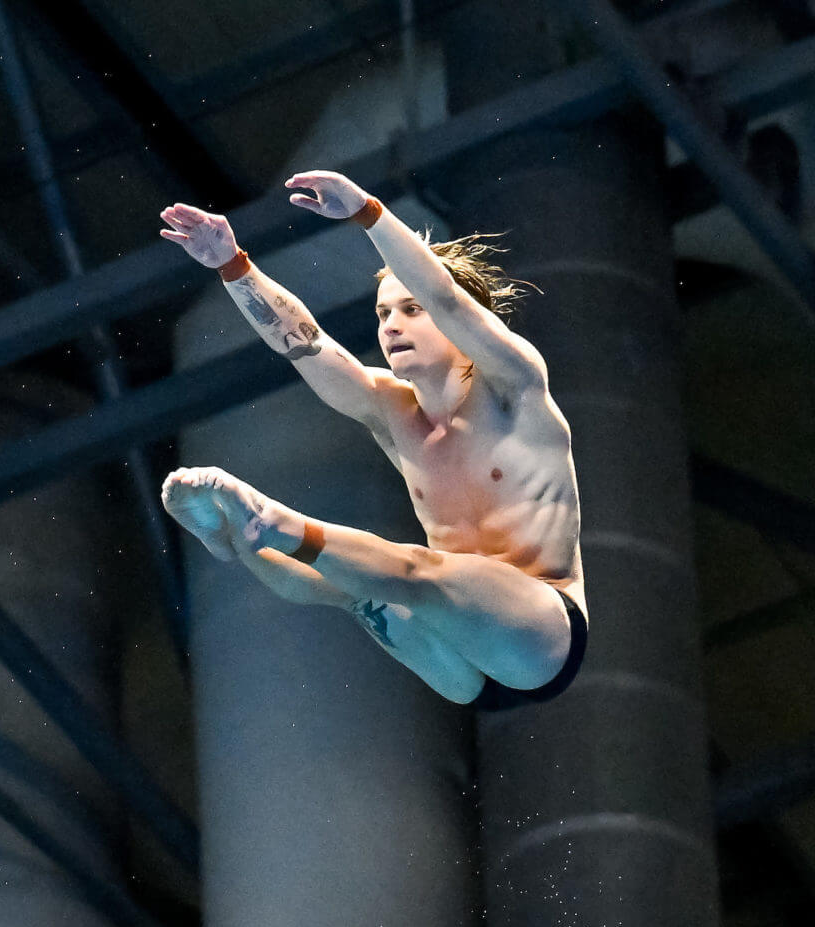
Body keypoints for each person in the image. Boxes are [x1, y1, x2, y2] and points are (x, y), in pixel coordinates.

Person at [157, 170, 586, 709]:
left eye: (410, 309)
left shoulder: (514, 386)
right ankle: (237, 536)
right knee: (348, 588)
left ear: (466, 327)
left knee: (408, 570)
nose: (390, 326)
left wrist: (369, 213)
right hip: (457, 665)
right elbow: (303, 344)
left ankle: (271, 519)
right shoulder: (389, 406)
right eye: (383, 313)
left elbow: (449, 299)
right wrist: (231, 265)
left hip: (538, 635)